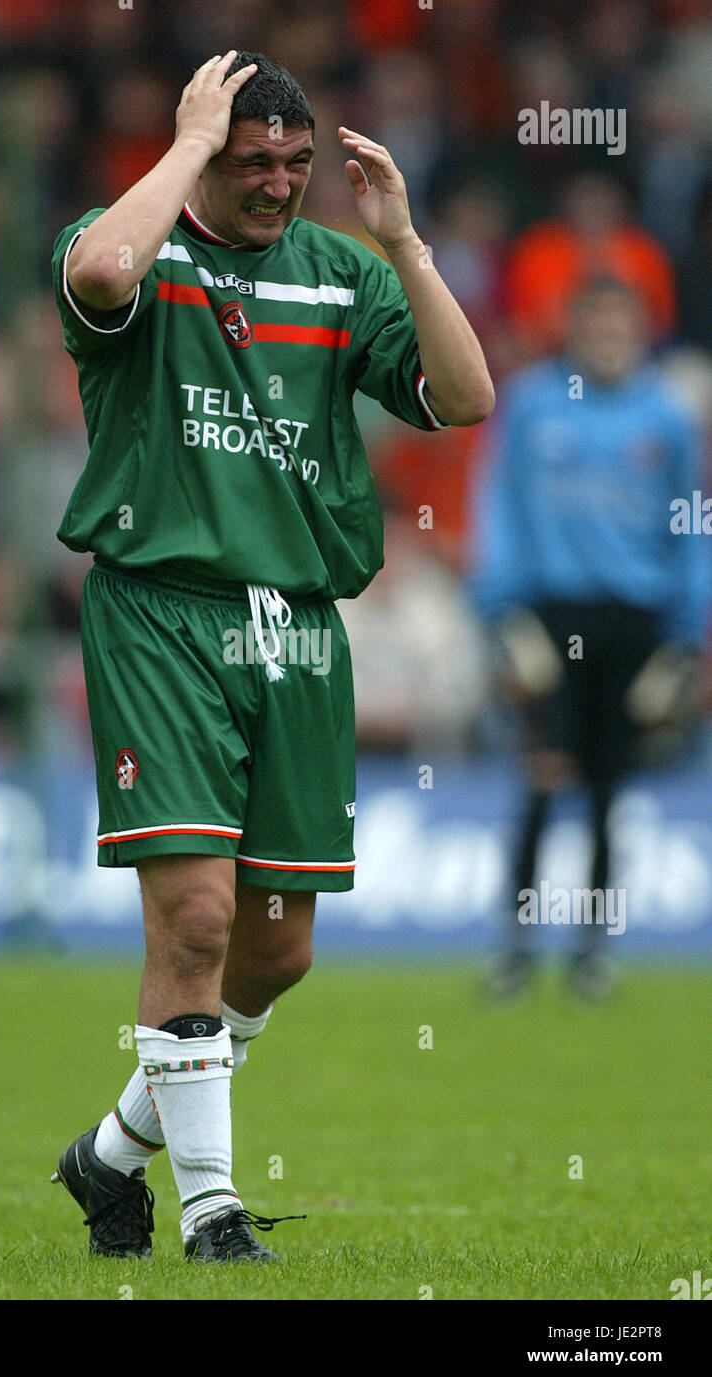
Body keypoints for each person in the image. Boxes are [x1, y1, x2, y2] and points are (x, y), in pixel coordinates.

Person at [50, 50, 493, 1262]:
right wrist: (184, 149)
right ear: (207, 152)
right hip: (161, 609)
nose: (279, 184)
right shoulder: (137, 246)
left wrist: (404, 245)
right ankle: (208, 1211)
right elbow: (95, 270)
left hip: (296, 625)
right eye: (255, 162)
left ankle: (108, 1153)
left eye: (297, 165)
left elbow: (463, 397)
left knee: (276, 945)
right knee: (193, 915)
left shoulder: (339, 275)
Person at [471, 275, 707, 1000]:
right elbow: (499, 507)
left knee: (610, 790)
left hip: (633, 622)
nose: (608, 341)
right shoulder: (534, 403)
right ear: (572, 331)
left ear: (639, 333)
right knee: (542, 777)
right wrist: (500, 613)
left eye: (620, 328)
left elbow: (689, 520)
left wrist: (685, 632)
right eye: (595, 327)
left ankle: (591, 951)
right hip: (549, 615)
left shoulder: (665, 415)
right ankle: (514, 946)